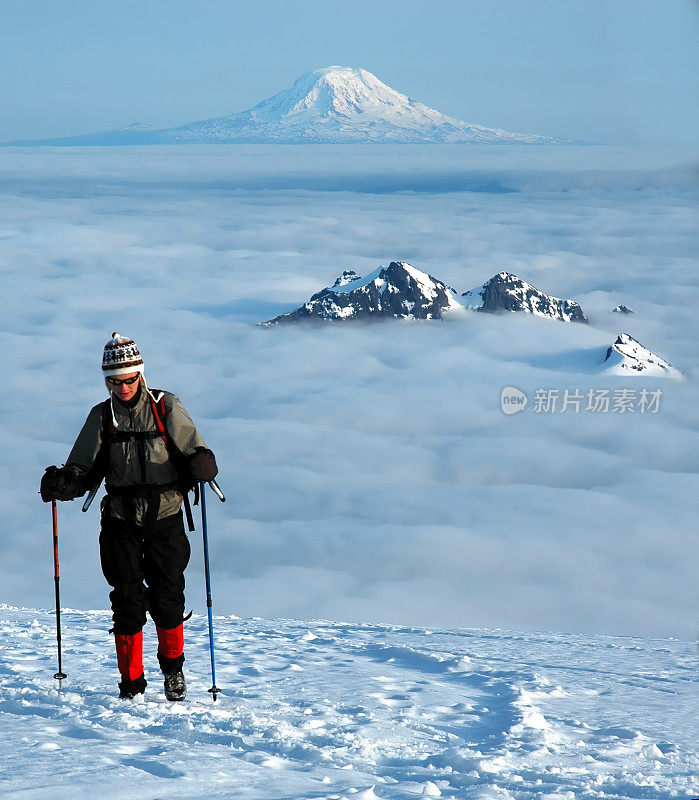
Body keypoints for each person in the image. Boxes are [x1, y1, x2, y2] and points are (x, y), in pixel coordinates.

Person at [40, 332, 218, 701]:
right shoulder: (101, 417)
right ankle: (131, 683)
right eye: (114, 380)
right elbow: (82, 467)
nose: (123, 386)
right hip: (120, 519)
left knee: (168, 597)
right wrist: (63, 483)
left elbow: (193, 448)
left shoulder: (165, 406)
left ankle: (173, 671)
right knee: (127, 600)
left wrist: (203, 463)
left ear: (141, 374)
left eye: (129, 378)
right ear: (106, 381)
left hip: (165, 516)